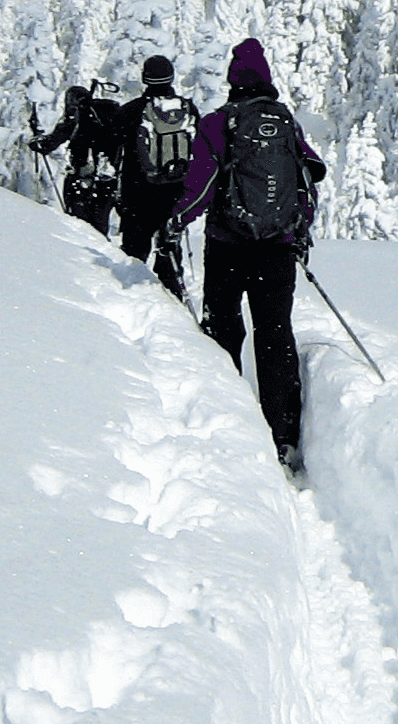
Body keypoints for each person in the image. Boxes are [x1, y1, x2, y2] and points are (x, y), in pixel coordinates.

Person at [176, 38, 327, 475]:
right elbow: (308, 178)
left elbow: (200, 185)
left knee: (223, 329)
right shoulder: (285, 122)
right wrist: (300, 231)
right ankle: (282, 434)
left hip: (227, 247)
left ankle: (231, 424)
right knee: (274, 333)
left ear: (232, 80)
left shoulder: (218, 124)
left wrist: (177, 220)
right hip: (277, 250)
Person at [117, 54, 200, 299]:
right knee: (169, 250)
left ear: (145, 78)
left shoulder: (133, 111)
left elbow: (112, 140)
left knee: (134, 253)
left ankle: (135, 301)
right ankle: (172, 297)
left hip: (138, 193)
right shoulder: (187, 109)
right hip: (175, 191)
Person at [30, 81, 129, 237]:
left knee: (77, 225)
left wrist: (36, 139)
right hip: (108, 180)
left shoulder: (75, 118)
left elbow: (49, 144)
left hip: (81, 178)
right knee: (99, 225)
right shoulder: (109, 118)